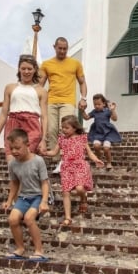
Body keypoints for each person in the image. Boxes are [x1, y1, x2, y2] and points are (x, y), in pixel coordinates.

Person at [44, 115, 104, 226]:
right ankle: (68, 218)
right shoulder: (61, 139)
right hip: (66, 167)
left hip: (80, 165)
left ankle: (83, 198)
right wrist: (45, 153)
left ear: (75, 128)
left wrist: (96, 160)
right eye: (62, 127)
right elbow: (54, 152)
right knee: (66, 192)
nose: (63, 130)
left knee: (80, 189)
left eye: (66, 128)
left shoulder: (82, 137)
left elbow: (89, 152)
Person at [39, 37, 88, 173]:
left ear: (68, 48)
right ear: (54, 47)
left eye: (65, 48)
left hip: (68, 100)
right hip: (51, 101)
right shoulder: (46, 64)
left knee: (66, 130)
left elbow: (82, 82)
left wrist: (83, 98)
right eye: (59, 48)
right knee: (51, 129)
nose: (62, 51)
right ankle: (56, 161)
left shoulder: (75, 63)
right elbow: (40, 85)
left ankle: (64, 160)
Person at [2, 128, 49, 261]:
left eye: (18, 148)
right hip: (23, 197)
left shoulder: (38, 161)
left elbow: (45, 183)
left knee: (29, 218)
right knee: (12, 219)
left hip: (38, 196)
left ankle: (39, 251)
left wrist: (44, 201)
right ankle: (20, 248)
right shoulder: (12, 164)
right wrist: (9, 200)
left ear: (27, 145)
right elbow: (14, 183)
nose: (14, 151)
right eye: (12, 148)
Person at [0, 54, 48, 163]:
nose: (26, 71)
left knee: (26, 163)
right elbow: (4, 113)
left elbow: (44, 117)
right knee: (12, 163)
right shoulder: (10, 88)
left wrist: (44, 139)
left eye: (29, 69)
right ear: (19, 69)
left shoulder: (41, 91)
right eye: (23, 68)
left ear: (35, 70)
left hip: (32, 126)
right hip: (13, 124)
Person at [81, 93, 121, 171]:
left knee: (106, 148)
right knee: (96, 146)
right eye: (95, 104)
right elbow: (86, 118)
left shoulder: (107, 111)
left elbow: (115, 119)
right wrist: (82, 111)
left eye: (99, 104)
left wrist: (112, 110)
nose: (96, 106)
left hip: (107, 133)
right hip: (97, 133)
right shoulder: (94, 112)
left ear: (104, 104)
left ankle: (109, 162)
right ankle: (99, 159)